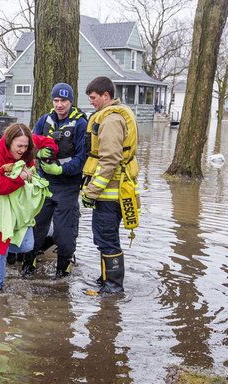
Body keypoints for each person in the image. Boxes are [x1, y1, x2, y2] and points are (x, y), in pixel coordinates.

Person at [0, 123, 57, 292]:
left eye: (26, 146)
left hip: (20, 210)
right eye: (19, 146)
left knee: (27, 246)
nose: (22, 150)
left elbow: (49, 142)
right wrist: (21, 178)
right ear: (9, 142)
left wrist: (48, 152)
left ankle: (1, 251)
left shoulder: (27, 143)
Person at [21, 82, 87, 280]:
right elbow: (29, 145)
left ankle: (63, 269)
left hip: (67, 187)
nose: (59, 105)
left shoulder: (80, 123)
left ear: (71, 102)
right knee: (35, 226)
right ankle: (28, 263)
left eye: (64, 101)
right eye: (56, 100)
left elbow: (82, 158)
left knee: (64, 233)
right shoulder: (45, 120)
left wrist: (61, 169)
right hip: (44, 185)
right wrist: (38, 153)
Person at [82, 76, 140, 294]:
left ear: (106, 96)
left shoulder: (110, 120)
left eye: (94, 98)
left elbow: (109, 160)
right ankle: (106, 279)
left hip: (109, 195)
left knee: (107, 239)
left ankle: (113, 289)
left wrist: (91, 191)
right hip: (113, 192)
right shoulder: (114, 115)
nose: (91, 102)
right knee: (105, 238)